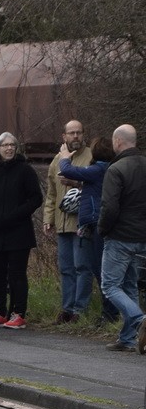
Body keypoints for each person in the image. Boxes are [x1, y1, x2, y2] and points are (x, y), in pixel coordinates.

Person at [0, 132, 43, 330]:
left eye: (12, 145)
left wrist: (17, 214)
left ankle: (18, 313)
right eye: (4, 145)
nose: (8, 148)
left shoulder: (25, 171)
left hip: (19, 231)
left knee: (17, 274)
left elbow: (36, 198)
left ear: (16, 148)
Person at [58, 136, 119, 326]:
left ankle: (110, 314)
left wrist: (64, 157)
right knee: (98, 269)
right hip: (94, 224)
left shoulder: (99, 168)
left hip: (95, 223)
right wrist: (78, 185)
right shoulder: (105, 169)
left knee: (101, 271)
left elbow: (68, 169)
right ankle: (109, 312)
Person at [97, 124, 146, 353]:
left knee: (110, 286)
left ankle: (139, 319)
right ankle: (128, 338)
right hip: (141, 238)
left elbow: (110, 207)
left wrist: (102, 229)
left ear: (118, 142)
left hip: (119, 236)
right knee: (129, 286)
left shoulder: (116, 169)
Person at [45, 120, 91, 325]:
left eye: (78, 133)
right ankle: (67, 309)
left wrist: (76, 183)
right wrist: (48, 219)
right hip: (62, 223)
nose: (75, 137)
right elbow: (51, 193)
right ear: (64, 136)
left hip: (82, 223)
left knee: (82, 266)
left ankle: (79, 310)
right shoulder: (57, 160)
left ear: (83, 135)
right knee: (66, 268)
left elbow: (98, 187)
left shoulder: (91, 157)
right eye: (71, 133)